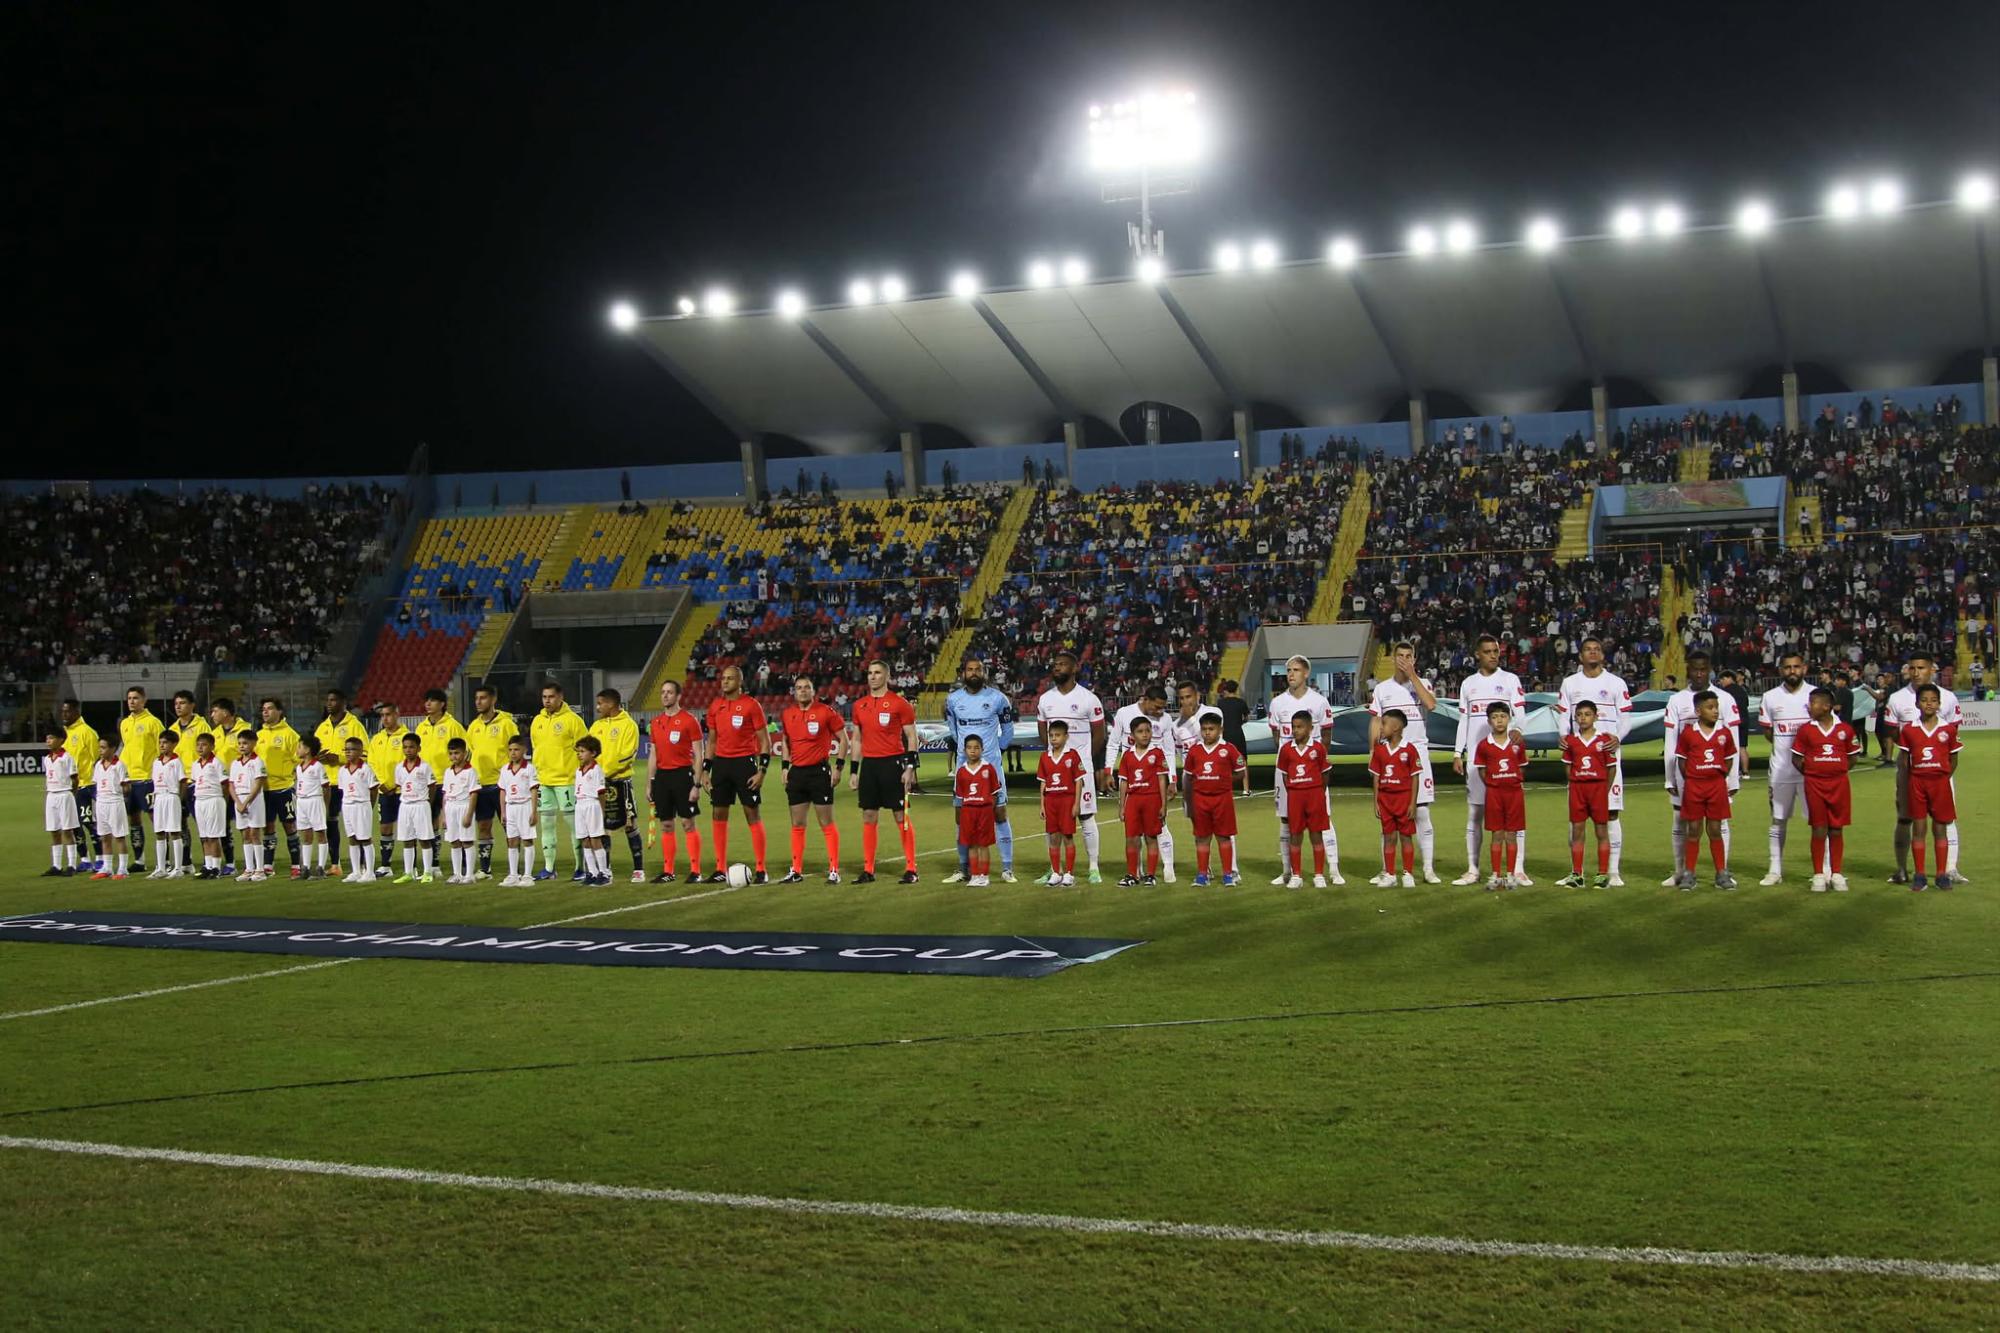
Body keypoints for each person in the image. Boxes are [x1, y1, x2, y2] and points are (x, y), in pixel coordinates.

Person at [1554, 636, 1631, 886]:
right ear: (1581, 656)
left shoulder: (1616, 683)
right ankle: (1576, 872)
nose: (1593, 653)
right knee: (1576, 819)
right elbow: (1564, 717)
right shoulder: (1570, 683)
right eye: (1588, 649)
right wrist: (1563, 737)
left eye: (1597, 649)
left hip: (1607, 755)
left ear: (1603, 654)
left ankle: (1612, 871)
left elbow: (1626, 717)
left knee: (1611, 813)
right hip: (1580, 755)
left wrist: (1618, 737)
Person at [1451, 635, 1528, 885]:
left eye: (1496, 651)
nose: (1494, 655)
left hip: (1505, 759)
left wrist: (1519, 729)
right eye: (1488, 651)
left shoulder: (1509, 680)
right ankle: (1473, 869)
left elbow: (1521, 713)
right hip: (1477, 760)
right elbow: (1464, 720)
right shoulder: (1468, 684)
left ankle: (1517, 870)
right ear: (1478, 654)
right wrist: (1457, 752)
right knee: (1475, 813)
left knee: (1513, 817)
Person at [1662, 651, 1741, 886]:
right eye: (1695, 669)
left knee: (1719, 825)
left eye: (1703, 669)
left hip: (1716, 779)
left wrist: (1733, 779)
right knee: (1682, 823)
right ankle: (1681, 872)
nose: (1699, 673)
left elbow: (1732, 743)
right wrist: (1670, 778)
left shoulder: (1725, 699)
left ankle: (1722, 871)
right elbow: (1671, 740)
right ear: (1687, 670)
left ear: (1710, 670)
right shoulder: (1677, 700)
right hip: (1687, 776)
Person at [1884, 654, 1963, 885]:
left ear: (1932, 670)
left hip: (1940, 773)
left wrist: (1944, 772)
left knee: (1945, 820)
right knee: (1905, 818)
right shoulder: (1897, 698)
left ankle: (1949, 869)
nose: (1916, 672)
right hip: (1910, 772)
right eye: (1912, 668)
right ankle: (1902, 869)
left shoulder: (1948, 697)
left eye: (1921, 668)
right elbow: (1892, 733)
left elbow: (1951, 736)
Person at [1368, 642, 1441, 882]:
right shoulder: (1382, 689)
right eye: (1400, 656)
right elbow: (1376, 721)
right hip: (1390, 756)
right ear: (1393, 659)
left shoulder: (1424, 684)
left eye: (1408, 656)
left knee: (1421, 812)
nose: (1404, 660)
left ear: (1414, 659)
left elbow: (1430, 704)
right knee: (1388, 816)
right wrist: (1372, 750)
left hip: (1418, 753)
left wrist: (1412, 676)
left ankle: (1428, 869)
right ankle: (1387, 870)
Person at [846, 659, 921, 884]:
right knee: (869, 815)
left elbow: (911, 737)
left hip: (893, 764)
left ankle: (911, 869)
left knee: (901, 816)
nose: (872, 676)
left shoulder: (900, 704)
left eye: (877, 673)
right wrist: (854, 771)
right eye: (870, 673)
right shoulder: (859, 705)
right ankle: (868, 870)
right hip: (870, 766)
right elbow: (857, 740)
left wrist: (909, 768)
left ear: (886, 676)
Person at [1267, 656, 1339, 887]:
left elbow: (1326, 736)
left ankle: (1333, 871)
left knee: (1323, 821)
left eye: (1296, 670)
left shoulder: (1319, 702)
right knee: (1286, 819)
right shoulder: (1277, 703)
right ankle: (1289, 872)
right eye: (1288, 670)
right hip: (1287, 770)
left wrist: (1313, 760)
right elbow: (1276, 737)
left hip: (1312, 770)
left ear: (1306, 673)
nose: (1291, 674)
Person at [1036, 649, 1108, 882]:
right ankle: (1054, 868)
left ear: (1074, 668)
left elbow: (1099, 733)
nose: (1057, 667)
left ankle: (1093, 867)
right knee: (1053, 824)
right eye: (1055, 664)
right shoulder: (1046, 699)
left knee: (1086, 817)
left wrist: (1083, 759)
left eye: (1063, 664)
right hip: (1055, 770)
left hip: (1080, 769)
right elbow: (1042, 731)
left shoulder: (1088, 698)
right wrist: (1054, 756)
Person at [944, 655, 1016, 883]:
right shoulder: (953, 700)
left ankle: (1007, 868)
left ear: (984, 673)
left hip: (992, 766)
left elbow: (1008, 730)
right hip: (964, 769)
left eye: (978, 669)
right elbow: (954, 730)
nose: (973, 673)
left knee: (1000, 813)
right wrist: (964, 753)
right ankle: (964, 868)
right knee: (961, 816)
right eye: (970, 669)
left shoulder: (998, 698)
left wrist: (997, 753)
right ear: (963, 673)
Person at [704, 664, 771, 883]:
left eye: (730, 678)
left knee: (752, 814)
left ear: (740, 682)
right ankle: (720, 868)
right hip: (721, 765)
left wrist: (762, 771)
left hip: (745, 764)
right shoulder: (715, 706)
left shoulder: (751, 705)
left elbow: (764, 740)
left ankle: (761, 869)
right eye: (723, 678)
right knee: (718, 814)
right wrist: (705, 770)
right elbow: (712, 741)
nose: (725, 681)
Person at [1106, 683, 1181, 882]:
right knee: (1132, 837)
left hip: (1153, 793)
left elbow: (1170, 750)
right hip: (1133, 791)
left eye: (1163, 707)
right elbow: (1113, 744)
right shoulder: (1124, 714)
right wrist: (1108, 771)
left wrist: (1172, 779)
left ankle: (1162, 870)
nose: (1160, 711)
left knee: (1156, 833)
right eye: (1157, 707)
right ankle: (1133, 873)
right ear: (1145, 700)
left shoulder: (1163, 724)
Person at [775, 675, 845, 883]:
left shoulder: (825, 712)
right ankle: (796, 870)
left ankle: (834, 869)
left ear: (813, 691)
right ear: (794, 692)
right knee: (797, 823)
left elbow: (844, 740)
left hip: (819, 772)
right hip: (797, 773)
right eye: (799, 688)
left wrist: (839, 767)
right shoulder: (788, 714)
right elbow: (786, 741)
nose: (803, 691)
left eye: (807, 687)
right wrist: (785, 767)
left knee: (826, 822)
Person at [1755, 652, 1814, 885]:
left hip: (1811, 772)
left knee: (1818, 821)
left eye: (1796, 667)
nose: (1792, 671)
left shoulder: (1815, 696)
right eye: (1787, 667)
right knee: (1778, 819)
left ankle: (1825, 869)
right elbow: (1769, 733)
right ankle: (1775, 870)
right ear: (1780, 670)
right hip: (1781, 770)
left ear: (1805, 668)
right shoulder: (1770, 697)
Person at [1798, 686, 1862, 894]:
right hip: (1814, 784)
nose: (1809, 706)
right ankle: (1818, 874)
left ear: (1826, 706)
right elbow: (1796, 758)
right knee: (1818, 827)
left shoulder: (1845, 729)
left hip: (1839, 784)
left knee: (1837, 828)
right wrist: (1813, 772)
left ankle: (1836, 873)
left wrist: (1837, 770)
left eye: (1813, 703)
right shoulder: (1806, 730)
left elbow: (1852, 757)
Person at [1899, 683, 1962, 892]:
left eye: (1933, 700)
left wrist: (1943, 777)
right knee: (1919, 828)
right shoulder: (1909, 729)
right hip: (1917, 783)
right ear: (1917, 703)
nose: (1929, 704)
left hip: (1940, 783)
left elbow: (1954, 759)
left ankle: (1942, 874)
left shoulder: (1948, 729)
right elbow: (1905, 760)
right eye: (1924, 700)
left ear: (1939, 704)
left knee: (1940, 828)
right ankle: (1919, 874)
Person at [646, 679, 704, 883]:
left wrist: (696, 784)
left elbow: (698, 753)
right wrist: (650, 782)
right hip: (662, 777)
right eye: (663, 692)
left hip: (683, 776)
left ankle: (696, 871)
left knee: (688, 824)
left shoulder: (689, 720)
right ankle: (668, 871)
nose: (665, 695)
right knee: (666, 825)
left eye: (669, 692)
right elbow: (653, 754)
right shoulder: (655, 722)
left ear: (678, 696)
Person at [529, 681, 588, 882]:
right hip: (545, 782)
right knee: (546, 826)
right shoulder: (537, 720)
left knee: (575, 826)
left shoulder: (573, 720)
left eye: (551, 697)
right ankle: (549, 868)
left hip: (567, 781)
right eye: (544, 697)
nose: (547, 700)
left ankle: (580, 868)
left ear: (560, 697)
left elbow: (584, 749)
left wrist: (580, 776)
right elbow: (537, 749)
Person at [589, 687, 646, 883]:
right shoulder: (596, 726)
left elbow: (628, 755)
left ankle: (638, 869)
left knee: (630, 824)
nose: (597, 707)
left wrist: (605, 773)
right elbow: (590, 753)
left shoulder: (628, 725)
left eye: (600, 703)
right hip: (599, 784)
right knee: (602, 826)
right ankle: (606, 868)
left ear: (611, 704)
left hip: (620, 782)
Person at [1276, 710, 1338, 888]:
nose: (1295, 730)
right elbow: (1286, 776)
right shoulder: (1286, 749)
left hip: (1314, 795)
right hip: (1295, 796)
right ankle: (1296, 875)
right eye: (1293, 727)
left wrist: (1317, 791)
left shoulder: (1318, 748)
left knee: (1316, 835)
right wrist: (1296, 790)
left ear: (1310, 728)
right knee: (1295, 835)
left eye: (1299, 727)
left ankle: (1319, 874)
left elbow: (1325, 774)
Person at [465, 683, 520, 880]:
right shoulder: (473, 726)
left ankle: (515, 868)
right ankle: (485, 869)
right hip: (481, 784)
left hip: (501, 785)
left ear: (493, 700)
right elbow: (470, 753)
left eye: (483, 698)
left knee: (509, 826)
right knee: (483, 827)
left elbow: (516, 749)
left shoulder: (506, 724)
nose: (478, 702)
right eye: (476, 699)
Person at [1183, 711, 1245, 886]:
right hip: (1200, 799)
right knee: (1202, 838)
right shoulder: (1195, 750)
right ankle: (1202, 875)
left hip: (1222, 799)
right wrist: (1189, 803)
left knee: (1223, 837)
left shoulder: (1228, 749)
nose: (1207, 733)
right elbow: (1188, 777)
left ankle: (1227, 874)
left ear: (1220, 730)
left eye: (1211, 729)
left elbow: (1241, 772)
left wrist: (1225, 780)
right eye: (1204, 729)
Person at [1559, 700, 1615, 889]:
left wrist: (1604, 789)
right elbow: (1568, 767)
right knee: (1577, 831)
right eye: (1580, 714)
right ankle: (1577, 874)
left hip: (1598, 788)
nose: (1583, 718)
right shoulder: (1571, 741)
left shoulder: (1604, 740)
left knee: (1601, 831)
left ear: (1596, 716)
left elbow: (1611, 768)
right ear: (1575, 717)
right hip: (1578, 789)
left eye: (1587, 714)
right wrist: (1575, 782)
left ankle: (1602, 874)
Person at [1472, 703, 1527, 891]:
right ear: (1489, 721)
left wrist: (1513, 780)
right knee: (1497, 834)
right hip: (1494, 794)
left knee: (1511, 835)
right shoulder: (1484, 745)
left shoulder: (1517, 743)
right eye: (1495, 717)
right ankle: (1495, 875)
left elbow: (1521, 766)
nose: (1499, 720)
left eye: (1503, 716)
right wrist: (1492, 783)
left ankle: (1511, 875)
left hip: (1514, 793)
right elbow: (1481, 770)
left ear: (1509, 718)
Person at [315, 689, 369, 874]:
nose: (329, 703)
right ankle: (335, 864)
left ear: (343, 702)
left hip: (348, 782)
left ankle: (362, 864)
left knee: (355, 823)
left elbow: (365, 755)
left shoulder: (354, 725)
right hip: (326, 782)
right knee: (329, 821)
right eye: (327, 700)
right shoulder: (323, 727)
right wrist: (317, 757)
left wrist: (338, 759)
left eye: (333, 700)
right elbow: (313, 752)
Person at [1367, 708, 1421, 888]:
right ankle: (1390, 874)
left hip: (1403, 799)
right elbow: (1376, 777)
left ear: (1396, 727)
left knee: (1406, 836)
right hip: (1386, 799)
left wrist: (1413, 803)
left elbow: (1415, 776)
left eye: (1384, 724)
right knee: (1389, 837)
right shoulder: (1380, 750)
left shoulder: (1409, 749)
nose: (1380, 728)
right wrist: (1376, 801)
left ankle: (1408, 873)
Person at [1116, 715, 1171, 886]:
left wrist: (1163, 804)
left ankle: (1150, 875)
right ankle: (1132, 874)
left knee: (1151, 837)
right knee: (1131, 838)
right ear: (1132, 735)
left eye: (1148, 731)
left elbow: (1162, 780)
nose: (1145, 734)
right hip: (1133, 800)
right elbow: (1124, 781)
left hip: (1152, 799)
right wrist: (1122, 805)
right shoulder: (1127, 755)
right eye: (1140, 732)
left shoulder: (1157, 753)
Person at [415, 688, 465, 873]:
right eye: (426, 700)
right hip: (427, 783)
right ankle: (434, 864)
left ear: (442, 704)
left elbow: (464, 751)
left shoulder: (453, 726)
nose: (428, 704)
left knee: (452, 822)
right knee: (430, 822)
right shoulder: (421, 727)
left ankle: (462, 864)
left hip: (448, 781)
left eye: (432, 701)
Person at [256, 697, 303, 878]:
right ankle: (268, 865)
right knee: (268, 827)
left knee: (289, 826)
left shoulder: (290, 735)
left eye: (269, 708)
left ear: (279, 711)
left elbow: (298, 760)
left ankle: (296, 865)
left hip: (283, 788)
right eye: (263, 709)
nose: (265, 712)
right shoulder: (259, 736)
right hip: (264, 789)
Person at [1036, 719, 1086, 887]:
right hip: (1051, 801)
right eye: (1051, 736)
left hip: (1067, 800)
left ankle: (1069, 873)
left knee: (1067, 837)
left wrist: (1076, 804)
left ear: (1066, 736)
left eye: (1057, 735)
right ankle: (1056, 872)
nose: (1054, 739)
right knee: (1053, 838)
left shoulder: (1072, 755)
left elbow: (1079, 781)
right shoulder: (1045, 757)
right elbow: (1043, 783)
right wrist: (1042, 805)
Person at [119, 685, 163, 870]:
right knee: (133, 820)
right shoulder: (125, 723)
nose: (132, 701)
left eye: (136, 698)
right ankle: (140, 860)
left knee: (156, 819)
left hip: (148, 779)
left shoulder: (153, 722)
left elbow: (163, 749)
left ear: (144, 700)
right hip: (130, 779)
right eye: (129, 698)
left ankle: (165, 860)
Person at [209, 698, 254, 875]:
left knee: (250, 826)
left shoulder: (246, 729)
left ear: (226, 713)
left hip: (243, 786)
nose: (212, 714)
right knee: (224, 826)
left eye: (215, 711)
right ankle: (230, 863)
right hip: (222, 785)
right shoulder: (215, 733)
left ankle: (257, 863)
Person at [368, 701, 413, 874]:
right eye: (382, 716)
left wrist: (396, 784)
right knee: (385, 828)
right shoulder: (377, 739)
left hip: (403, 791)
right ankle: (386, 866)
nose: (385, 719)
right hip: (384, 790)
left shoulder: (406, 737)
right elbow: (371, 763)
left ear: (396, 714)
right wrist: (381, 783)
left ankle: (411, 867)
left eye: (388, 715)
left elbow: (410, 762)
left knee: (408, 829)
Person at [59, 699, 101, 872]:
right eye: (63, 711)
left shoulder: (87, 732)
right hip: (69, 788)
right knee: (74, 824)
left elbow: (97, 758)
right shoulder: (63, 734)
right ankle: (84, 859)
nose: (64, 714)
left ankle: (100, 858)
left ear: (76, 712)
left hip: (86, 784)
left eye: (67, 711)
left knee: (89, 823)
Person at [953, 734, 1000, 886]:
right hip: (968, 811)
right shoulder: (961, 772)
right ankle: (974, 875)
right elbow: (960, 797)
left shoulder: (988, 769)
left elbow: (995, 793)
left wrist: (988, 808)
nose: (973, 751)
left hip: (984, 811)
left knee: (983, 844)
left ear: (982, 749)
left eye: (976, 748)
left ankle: (984, 876)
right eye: (969, 748)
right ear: (964, 750)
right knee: (971, 844)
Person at [392, 731, 438, 884]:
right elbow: (400, 785)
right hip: (405, 805)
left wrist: (427, 804)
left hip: (421, 805)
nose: (408, 750)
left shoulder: (425, 767)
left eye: (411, 747)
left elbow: (432, 787)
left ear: (418, 748)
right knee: (407, 840)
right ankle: (408, 872)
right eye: (405, 747)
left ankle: (427, 872)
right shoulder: (399, 767)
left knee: (424, 840)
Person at [496, 736, 541, 885]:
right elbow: (502, 791)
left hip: (525, 806)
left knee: (527, 839)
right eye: (510, 750)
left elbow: (534, 791)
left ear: (524, 750)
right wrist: (503, 812)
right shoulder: (504, 769)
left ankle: (528, 875)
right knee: (512, 840)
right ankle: (513, 874)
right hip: (511, 807)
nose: (513, 753)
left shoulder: (529, 768)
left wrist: (534, 812)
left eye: (516, 749)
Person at [226, 730, 269, 883]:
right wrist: (238, 802)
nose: (242, 746)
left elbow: (258, 784)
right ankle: (249, 869)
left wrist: (246, 802)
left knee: (255, 833)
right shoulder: (235, 763)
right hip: (240, 801)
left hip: (254, 800)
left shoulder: (257, 762)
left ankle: (260, 869)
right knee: (244, 834)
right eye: (240, 743)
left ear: (253, 743)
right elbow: (231, 785)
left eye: (245, 743)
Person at [335, 737, 379, 882]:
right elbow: (343, 789)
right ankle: (356, 871)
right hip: (347, 805)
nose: (348, 752)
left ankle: (370, 872)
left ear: (360, 751)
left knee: (365, 839)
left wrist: (368, 805)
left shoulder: (366, 769)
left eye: (351, 749)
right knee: (352, 839)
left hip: (362, 805)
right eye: (346, 749)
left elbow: (373, 789)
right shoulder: (342, 770)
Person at [89, 735, 131, 880]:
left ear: (112, 749)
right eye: (99, 747)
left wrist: (122, 790)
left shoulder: (119, 765)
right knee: (104, 836)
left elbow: (126, 786)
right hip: (101, 802)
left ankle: (122, 868)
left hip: (114, 802)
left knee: (119, 836)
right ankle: (107, 867)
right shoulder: (98, 765)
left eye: (103, 747)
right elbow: (96, 784)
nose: (100, 750)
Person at [573, 735, 613, 886]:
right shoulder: (578, 770)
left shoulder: (596, 770)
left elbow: (601, 792)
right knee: (584, 839)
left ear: (593, 753)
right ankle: (592, 872)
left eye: (582, 751)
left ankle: (604, 872)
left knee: (595, 839)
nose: (579, 754)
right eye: (578, 751)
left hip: (592, 804)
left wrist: (602, 811)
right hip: (580, 805)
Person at [440, 737, 480, 883]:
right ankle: (457, 874)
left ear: (464, 753)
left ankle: (469, 874)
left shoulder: (470, 772)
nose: (453, 756)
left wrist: (469, 814)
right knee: (454, 841)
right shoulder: (448, 772)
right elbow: (445, 794)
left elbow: (474, 793)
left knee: (467, 841)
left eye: (457, 753)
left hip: (464, 806)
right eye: (451, 753)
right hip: (450, 807)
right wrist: (443, 815)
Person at [291, 736, 331, 879]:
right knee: (306, 835)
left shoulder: (317, 767)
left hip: (315, 800)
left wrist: (325, 806)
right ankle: (306, 868)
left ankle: (321, 866)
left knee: (320, 833)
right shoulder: (298, 767)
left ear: (307, 750)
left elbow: (326, 787)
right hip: (302, 802)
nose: (297, 749)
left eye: (300, 747)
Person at [189, 731, 227, 879]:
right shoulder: (195, 765)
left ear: (212, 746)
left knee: (213, 836)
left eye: (204, 745)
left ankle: (216, 868)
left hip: (213, 799)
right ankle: (208, 865)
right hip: (200, 800)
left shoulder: (216, 763)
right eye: (198, 745)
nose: (200, 748)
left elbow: (224, 784)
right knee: (204, 836)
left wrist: (221, 800)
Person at [148, 732, 186, 879]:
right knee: (159, 832)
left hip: (171, 796)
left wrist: (180, 800)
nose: (162, 745)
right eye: (160, 742)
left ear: (173, 744)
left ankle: (178, 868)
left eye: (165, 742)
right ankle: (161, 867)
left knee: (174, 832)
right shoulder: (156, 762)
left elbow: (183, 781)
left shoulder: (176, 762)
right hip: (159, 797)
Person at [43, 726, 80, 876]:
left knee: (67, 830)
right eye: (47, 739)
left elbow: (75, 778)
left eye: (51, 738)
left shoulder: (66, 757)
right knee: (54, 830)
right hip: (51, 795)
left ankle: (71, 864)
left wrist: (72, 792)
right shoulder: (47, 759)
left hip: (64, 794)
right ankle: (56, 865)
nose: (48, 741)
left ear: (60, 740)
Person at [1214, 679, 1251, 794]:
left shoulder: (1220, 703)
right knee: (1243, 761)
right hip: (1237, 733)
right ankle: (1246, 789)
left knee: (1224, 762)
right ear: (1236, 689)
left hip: (1225, 734)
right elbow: (1246, 718)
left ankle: (1225, 787)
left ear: (1226, 689)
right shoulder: (1241, 702)